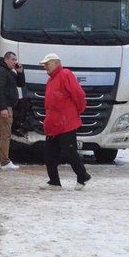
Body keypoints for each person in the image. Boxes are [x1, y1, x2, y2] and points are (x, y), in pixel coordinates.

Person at [39, 53, 91, 190]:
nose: (45, 67)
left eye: (47, 64)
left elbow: (78, 94)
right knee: (49, 153)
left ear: (57, 63)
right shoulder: (51, 80)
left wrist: (78, 111)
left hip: (66, 122)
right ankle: (54, 182)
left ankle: (82, 176)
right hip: (54, 123)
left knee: (69, 152)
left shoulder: (65, 74)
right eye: (44, 65)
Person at [0, 51, 25, 170]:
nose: (15, 62)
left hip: (3, 106)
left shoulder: (9, 72)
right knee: (5, 135)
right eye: (13, 60)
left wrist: (20, 73)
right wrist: (4, 108)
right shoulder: (1, 72)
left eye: (15, 60)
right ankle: (5, 162)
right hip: (3, 107)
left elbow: (20, 83)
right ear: (6, 60)